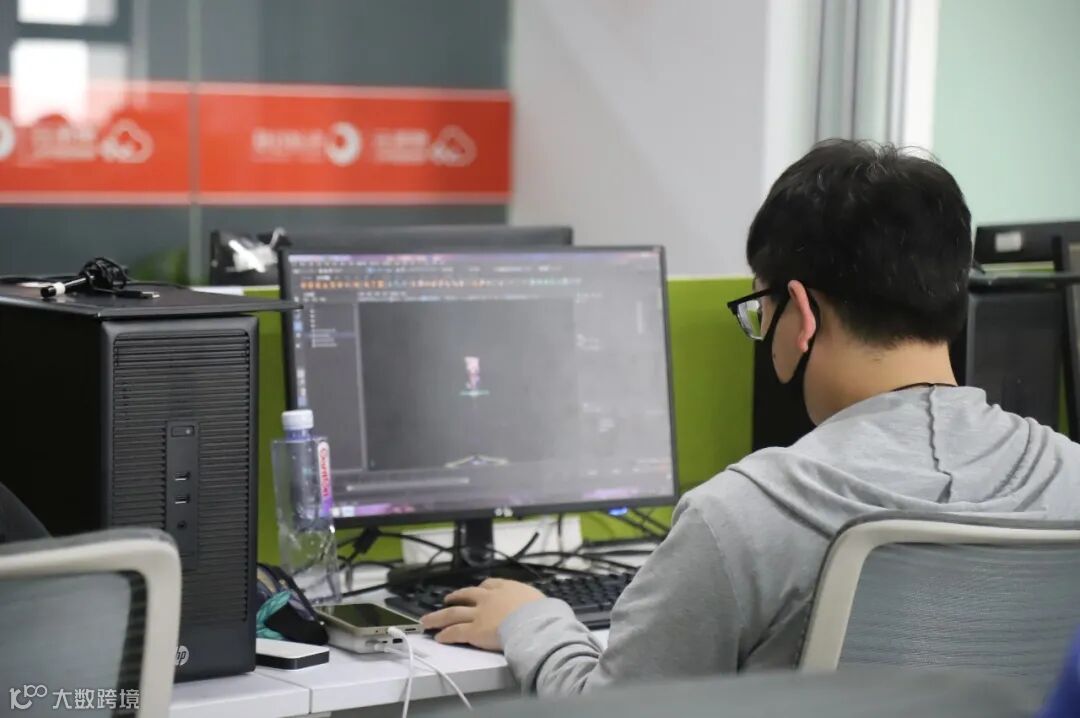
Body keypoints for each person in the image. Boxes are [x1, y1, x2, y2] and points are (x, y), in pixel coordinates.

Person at [420, 139, 1080, 695]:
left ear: (801, 313)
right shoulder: (1068, 474)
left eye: (760, 310)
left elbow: (616, 711)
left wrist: (532, 620)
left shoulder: (743, 515)